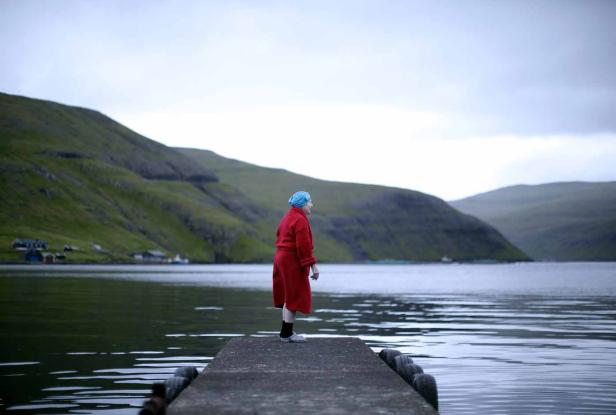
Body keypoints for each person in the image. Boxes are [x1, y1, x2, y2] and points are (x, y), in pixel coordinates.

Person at [272, 191, 320, 342]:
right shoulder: (300, 219)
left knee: (288, 296)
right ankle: (287, 334)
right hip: (291, 260)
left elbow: (279, 236)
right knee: (293, 295)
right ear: (303, 204)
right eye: (309, 202)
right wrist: (313, 267)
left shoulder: (287, 217)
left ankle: (285, 332)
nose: (311, 205)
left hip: (281, 258)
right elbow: (304, 246)